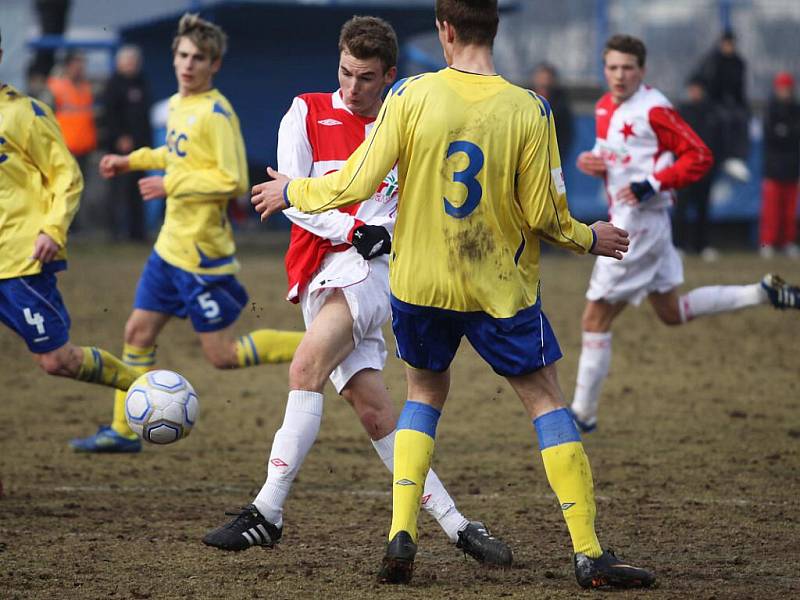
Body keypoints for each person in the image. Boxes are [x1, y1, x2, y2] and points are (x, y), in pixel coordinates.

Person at [251, 1, 656, 590]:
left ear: (444, 28)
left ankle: (402, 535)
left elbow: (357, 181)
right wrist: (589, 237)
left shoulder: (410, 96)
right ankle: (589, 554)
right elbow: (544, 213)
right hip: (497, 285)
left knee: (422, 393)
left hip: (420, 284)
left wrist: (294, 188)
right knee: (544, 399)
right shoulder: (529, 108)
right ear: (494, 29)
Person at [202, 15, 512, 567]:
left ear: (389, 76)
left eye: (366, 78)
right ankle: (459, 525)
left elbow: (420, 212)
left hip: (373, 274)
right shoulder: (306, 111)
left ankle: (266, 512)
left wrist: (377, 234)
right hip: (318, 269)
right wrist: (352, 227)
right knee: (374, 414)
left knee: (304, 369)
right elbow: (292, 195)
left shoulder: (407, 126)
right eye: (345, 73)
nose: (351, 87)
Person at [69, 14, 304, 454]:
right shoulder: (178, 104)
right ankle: (123, 430)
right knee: (137, 333)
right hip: (168, 249)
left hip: (202, 255)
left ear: (214, 64)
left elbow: (232, 180)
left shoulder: (217, 113)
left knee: (223, 355)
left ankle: (316, 347)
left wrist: (170, 183)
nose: (188, 64)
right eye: (182, 55)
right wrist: (133, 161)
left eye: (198, 58)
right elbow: (174, 152)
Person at [570, 34, 800, 434]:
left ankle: (581, 414)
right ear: (604, 70)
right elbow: (619, 158)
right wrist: (596, 163)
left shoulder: (655, 109)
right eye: (612, 68)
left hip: (637, 224)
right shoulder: (605, 106)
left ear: (642, 70)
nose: (620, 75)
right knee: (671, 313)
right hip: (639, 220)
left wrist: (652, 184)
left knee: (595, 317)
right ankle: (759, 292)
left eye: (628, 68)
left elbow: (700, 155)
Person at [0, 30, 139, 396]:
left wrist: (52, 229)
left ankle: (142, 388)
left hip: (20, 262)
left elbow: (67, 176)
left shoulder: (23, 114)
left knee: (56, 360)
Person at [102, 45, 152, 242]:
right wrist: (119, 136)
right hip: (119, 149)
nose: (132, 65)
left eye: (135, 62)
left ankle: (137, 232)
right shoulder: (113, 85)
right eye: (128, 62)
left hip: (141, 148)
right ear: (120, 63)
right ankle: (115, 232)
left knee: (138, 190)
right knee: (118, 191)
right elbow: (110, 115)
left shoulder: (142, 82)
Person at [674, 77, 724, 260]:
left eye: (698, 89)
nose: (694, 92)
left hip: (705, 169)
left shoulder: (712, 112)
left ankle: (702, 245)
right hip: (684, 169)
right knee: (681, 208)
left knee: (703, 208)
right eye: (692, 89)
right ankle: (678, 245)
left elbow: (718, 141)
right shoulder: (681, 112)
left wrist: (715, 163)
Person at [693, 30, 750, 182]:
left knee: (742, 118)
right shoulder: (712, 61)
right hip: (713, 103)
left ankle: (737, 158)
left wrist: (743, 107)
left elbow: (739, 89)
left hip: (731, 103)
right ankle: (727, 156)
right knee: (725, 119)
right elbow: (704, 83)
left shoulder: (738, 63)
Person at [759, 71, 800, 259]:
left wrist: (785, 132)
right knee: (772, 209)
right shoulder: (771, 109)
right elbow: (771, 135)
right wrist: (785, 133)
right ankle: (768, 242)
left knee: (789, 210)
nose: (784, 92)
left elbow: (792, 135)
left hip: (792, 167)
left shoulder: (795, 109)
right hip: (774, 167)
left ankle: (787, 242)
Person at [48, 51, 98, 179]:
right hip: (65, 147)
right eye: (76, 64)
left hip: (85, 146)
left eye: (82, 65)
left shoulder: (87, 87)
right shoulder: (55, 87)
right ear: (68, 66)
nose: (80, 68)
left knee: (82, 184)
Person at [530, 62, 574, 159]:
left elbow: (566, 136)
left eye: (547, 79)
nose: (545, 83)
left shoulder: (561, 107)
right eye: (541, 79)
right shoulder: (525, 102)